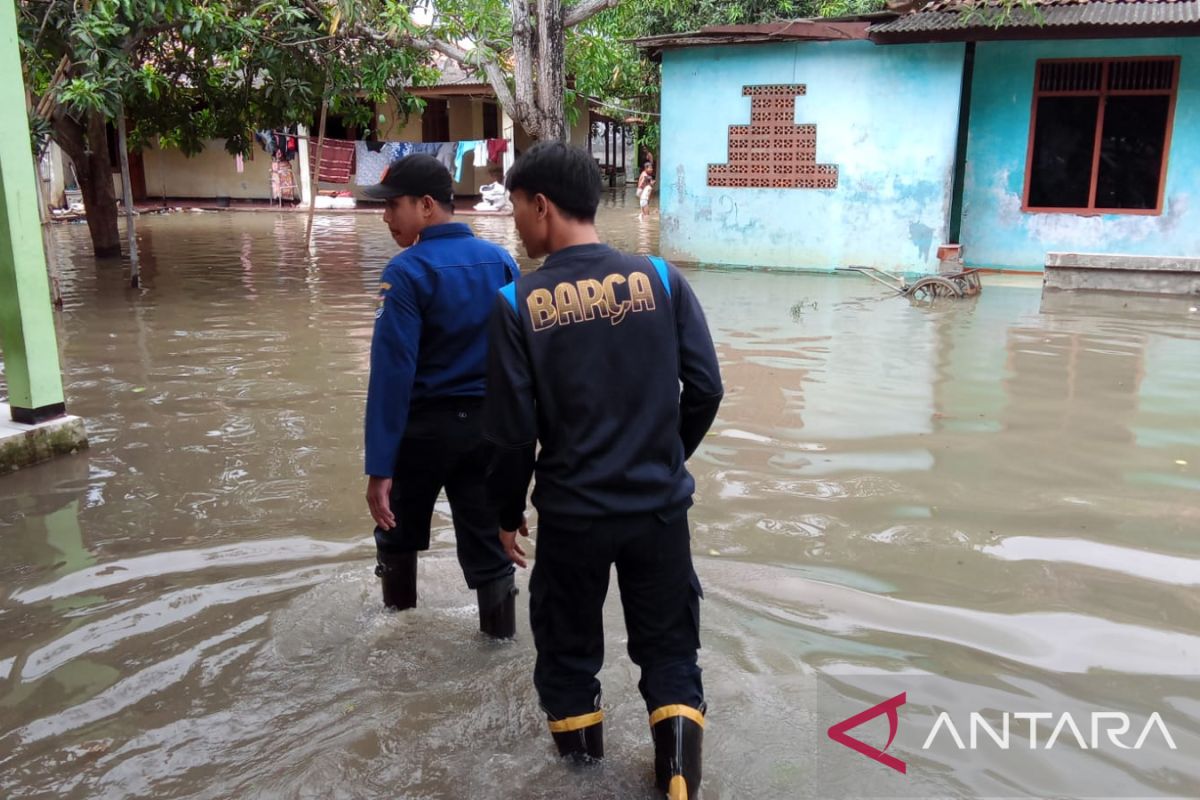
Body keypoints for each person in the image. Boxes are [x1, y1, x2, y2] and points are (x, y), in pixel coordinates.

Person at [482, 142, 723, 799]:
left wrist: (507, 516)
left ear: (543, 206)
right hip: (658, 512)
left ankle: (582, 782)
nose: (515, 226)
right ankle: (677, 784)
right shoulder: (663, 280)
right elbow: (705, 389)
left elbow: (509, 435)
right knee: (671, 655)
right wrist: (663, 457)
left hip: (571, 518)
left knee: (567, 658)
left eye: (515, 210)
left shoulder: (516, 305)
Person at [362, 154, 521, 639]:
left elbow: (392, 376)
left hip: (424, 433)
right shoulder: (502, 262)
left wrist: (379, 468)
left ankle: (397, 635)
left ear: (426, 205)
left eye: (393, 206)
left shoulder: (405, 273)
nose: (386, 216)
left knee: (396, 534)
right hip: (488, 432)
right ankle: (499, 644)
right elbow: (521, 364)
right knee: (490, 546)